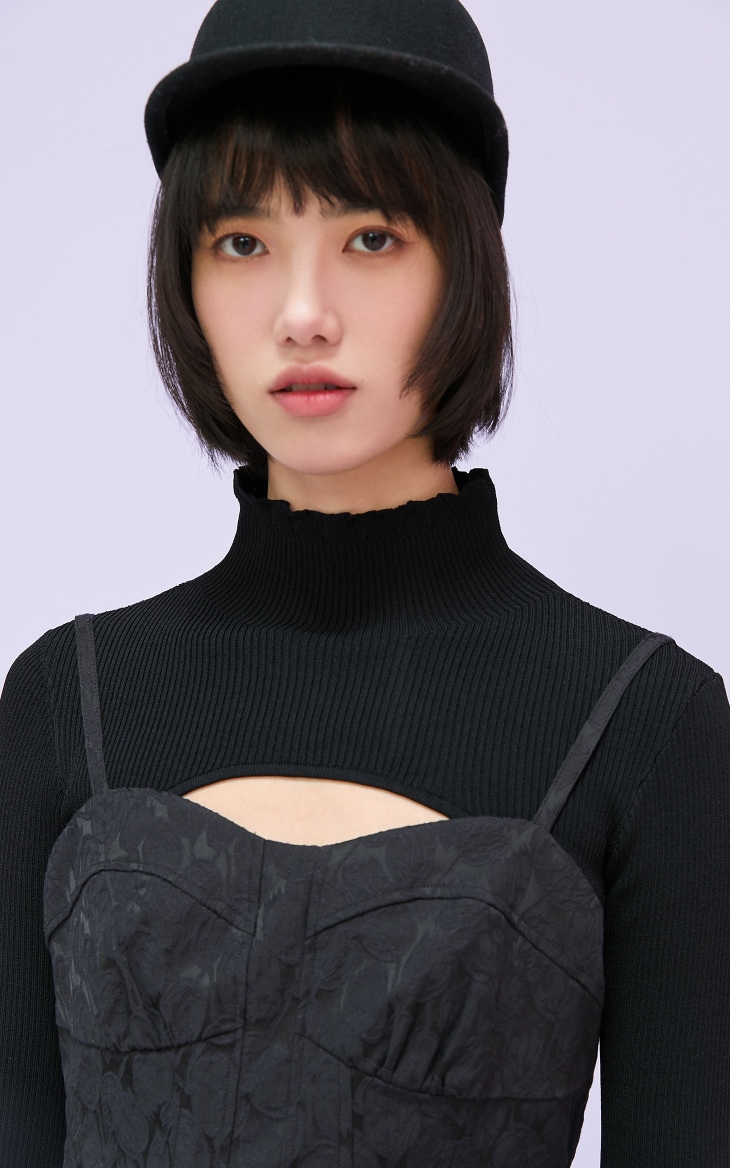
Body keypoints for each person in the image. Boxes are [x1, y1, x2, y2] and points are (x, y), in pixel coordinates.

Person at [0, 0, 728, 1164]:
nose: (303, 314)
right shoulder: (61, 701)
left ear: (465, 263)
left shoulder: (644, 721)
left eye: (372, 237)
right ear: (185, 277)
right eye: (242, 242)